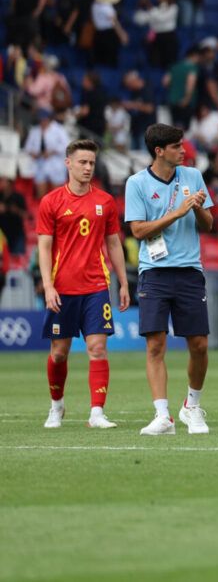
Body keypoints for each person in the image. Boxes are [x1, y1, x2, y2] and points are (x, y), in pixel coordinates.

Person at [124, 123, 214, 435]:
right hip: (154, 272)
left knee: (199, 344)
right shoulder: (136, 183)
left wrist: (198, 209)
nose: (183, 151)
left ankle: (192, 406)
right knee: (155, 345)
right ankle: (163, 416)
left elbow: (209, 224)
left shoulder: (193, 175)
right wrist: (177, 212)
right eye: (176, 146)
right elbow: (138, 231)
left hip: (189, 270)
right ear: (159, 151)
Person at [37, 139, 130, 430]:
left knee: (97, 348)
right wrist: (48, 286)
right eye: (82, 162)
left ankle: (97, 413)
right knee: (59, 353)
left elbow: (113, 243)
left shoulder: (105, 201)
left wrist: (123, 283)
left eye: (91, 162)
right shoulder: (51, 201)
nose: (88, 167)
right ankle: (56, 406)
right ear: (68, 163)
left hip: (96, 287)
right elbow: (44, 247)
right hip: (62, 289)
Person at [24, 110, 71, 199]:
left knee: (57, 195)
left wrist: (52, 151)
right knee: (41, 195)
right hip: (40, 163)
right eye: (41, 120)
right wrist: (33, 153)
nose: (43, 122)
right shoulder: (35, 130)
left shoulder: (59, 129)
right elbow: (28, 147)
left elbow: (67, 145)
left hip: (55, 164)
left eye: (44, 120)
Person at [0, 177, 28, 256]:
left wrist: (17, 211)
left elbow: (26, 215)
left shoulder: (18, 197)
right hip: (2, 235)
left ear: (11, 183)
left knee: (18, 259)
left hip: (17, 235)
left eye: (4, 181)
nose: (2, 184)